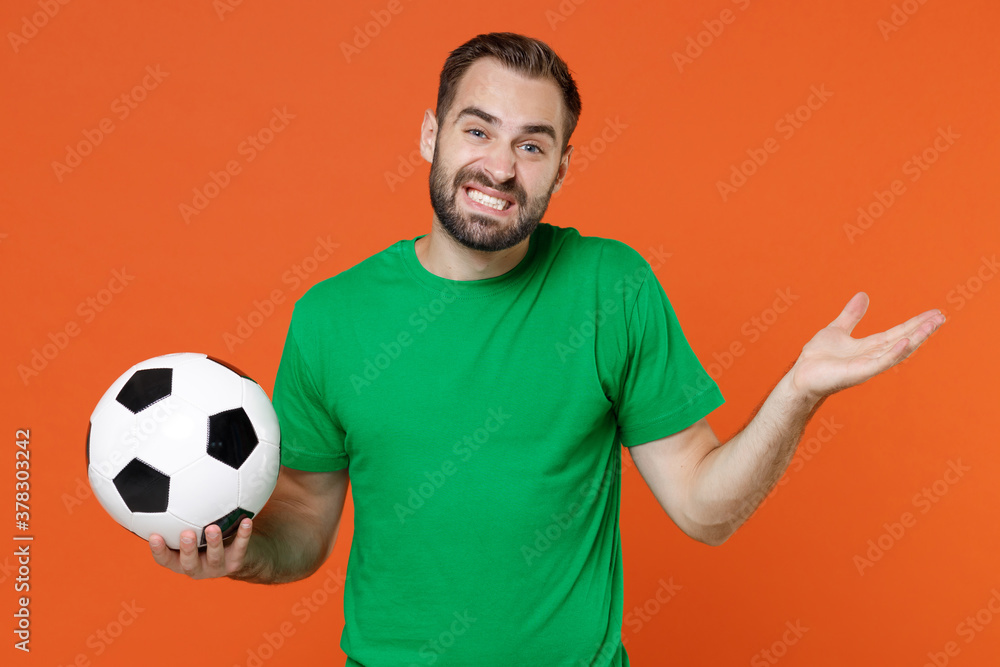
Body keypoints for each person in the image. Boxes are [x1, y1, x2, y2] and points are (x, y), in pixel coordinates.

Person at [149, 32, 945, 666]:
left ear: (563, 165)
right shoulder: (331, 316)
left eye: (534, 145)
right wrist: (240, 558)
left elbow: (705, 510)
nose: (499, 165)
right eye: (477, 129)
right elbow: (304, 534)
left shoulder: (612, 288)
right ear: (431, 134)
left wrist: (798, 393)